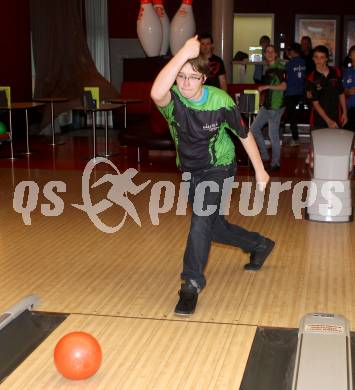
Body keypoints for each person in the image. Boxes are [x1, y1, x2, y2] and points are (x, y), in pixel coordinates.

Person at [150, 36, 275, 316]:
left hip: (219, 166)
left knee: (200, 221)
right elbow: (157, 92)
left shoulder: (220, 101)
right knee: (212, 226)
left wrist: (260, 170)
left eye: (193, 78)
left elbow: (244, 134)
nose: (185, 83)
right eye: (181, 76)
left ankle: (191, 283)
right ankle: (260, 244)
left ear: (204, 78)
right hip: (190, 170)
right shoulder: (173, 101)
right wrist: (183, 52)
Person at [251, 45, 287, 171]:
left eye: (272, 51)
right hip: (267, 106)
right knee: (254, 129)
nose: (270, 53)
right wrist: (262, 99)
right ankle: (265, 155)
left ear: (276, 54)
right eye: (267, 52)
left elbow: (283, 87)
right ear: (265, 54)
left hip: (276, 107)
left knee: (273, 135)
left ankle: (275, 163)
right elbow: (269, 88)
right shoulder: (269, 69)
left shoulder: (279, 68)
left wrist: (266, 87)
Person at [306, 45, 347, 129]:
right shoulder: (311, 78)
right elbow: (315, 103)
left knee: (336, 142)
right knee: (319, 142)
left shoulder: (336, 72)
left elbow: (341, 94)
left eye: (322, 57)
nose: (318, 60)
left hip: (336, 116)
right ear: (313, 58)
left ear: (326, 59)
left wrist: (345, 113)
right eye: (316, 57)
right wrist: (328, 121)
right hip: (319, 120)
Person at [284, 43, 306, 146]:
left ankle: (295, 138)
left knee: (291, 117)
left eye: (290, 51)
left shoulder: (289, 64)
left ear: (293, 51)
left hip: (291, 93)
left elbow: (286, 77)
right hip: (300, 92)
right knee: (296, 115)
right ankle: (296, 134)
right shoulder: (303, 62)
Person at [343, 45, 355, 131]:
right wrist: (348, 92)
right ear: (350, 55)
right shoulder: (348, 71)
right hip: (351, 108)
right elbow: (343, 91)